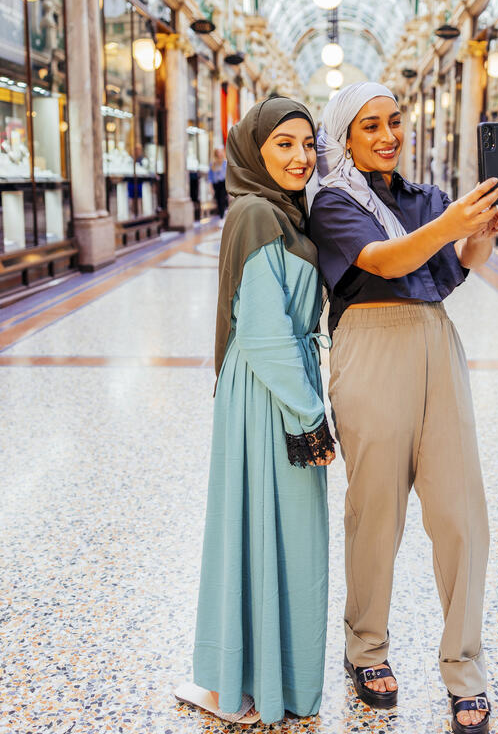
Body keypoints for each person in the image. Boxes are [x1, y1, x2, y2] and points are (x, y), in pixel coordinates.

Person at [309, 82, 498, 734]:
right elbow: (385, 259)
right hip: (369, 346)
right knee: (377, 512)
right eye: (370, 126)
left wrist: (482, 232)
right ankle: (365, 649)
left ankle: (464, 668)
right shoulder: (333, 202)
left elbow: (460, 263)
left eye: (394, 122)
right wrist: (451, 224)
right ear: (345, 137)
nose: (388, 135)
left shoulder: (424, 198)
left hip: (435, 342)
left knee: (461, 514)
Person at [175, 96, 336, 726]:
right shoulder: (252, 214)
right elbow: (265, 331)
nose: (300, 158)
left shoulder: (284, 214)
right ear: (254, 151)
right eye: (284, 145)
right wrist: (307, 414)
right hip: (269, 392)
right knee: (259, 524)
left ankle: (276, 684)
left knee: (291, 533)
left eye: (307, 146)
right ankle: (236, 684)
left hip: (286, 386)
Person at [208, 146, 228, 218]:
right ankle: (221, 215)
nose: (219, 154)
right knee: (218, 199)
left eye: (220, 152)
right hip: (216, 184)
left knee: (223, 198)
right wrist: (211, 188)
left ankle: (222, 215)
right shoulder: (212, 163)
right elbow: (210, 176)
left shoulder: (225, 163)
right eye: (217, 152)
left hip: (223, 183)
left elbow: (228, 175)